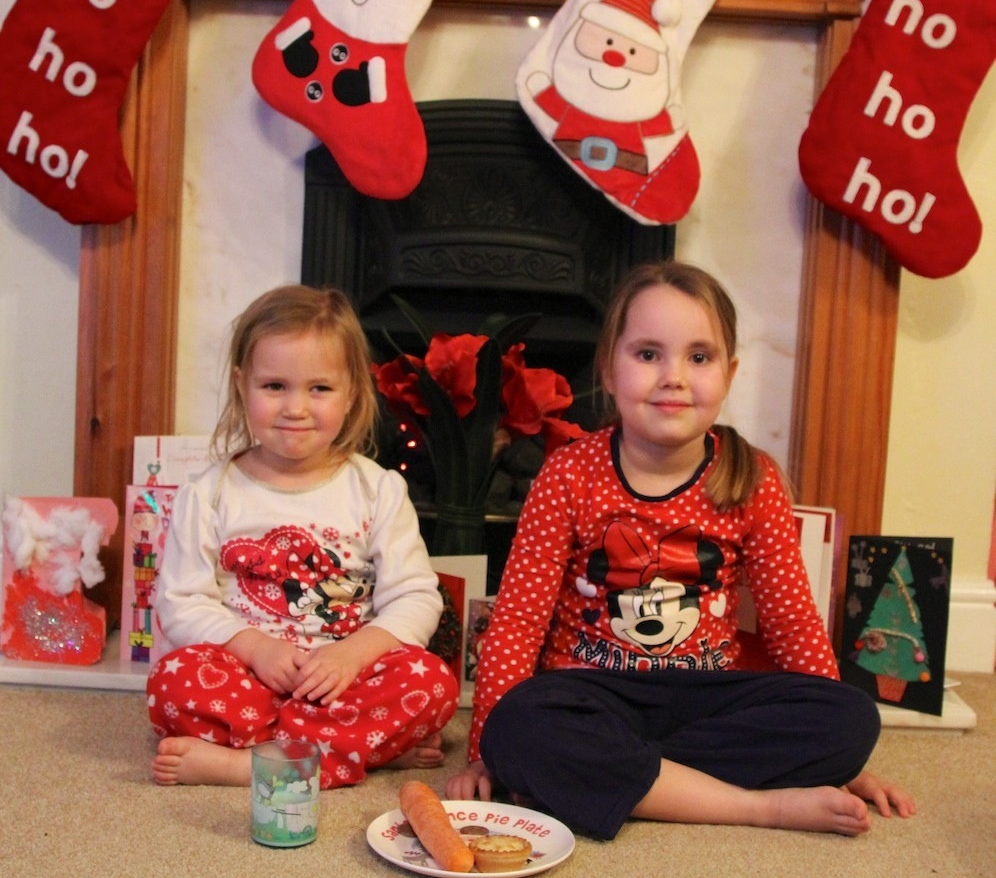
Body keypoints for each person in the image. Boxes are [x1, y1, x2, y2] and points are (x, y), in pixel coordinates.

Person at [446, 261, 915, 839]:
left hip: (705, 697)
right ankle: (754, 806)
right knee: (517, 728)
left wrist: (847, 764)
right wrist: (483, 750)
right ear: (609, 369)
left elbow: (792, 623)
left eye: (699, 357)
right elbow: (518, 621)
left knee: (850, 718)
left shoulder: (753, 479)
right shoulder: (568, 473)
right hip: (591, 693)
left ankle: (611, 777)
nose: (674, 377)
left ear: (729, 373)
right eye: (648, 354)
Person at [149, 284, 458, 788]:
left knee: (432, 683)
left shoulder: (377, 489)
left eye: (319, 389)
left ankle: (252, 762)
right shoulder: (208, 493)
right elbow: (182, 601)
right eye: (274, 386)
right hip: (248, 677)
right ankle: (356, 750)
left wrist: (353, 653)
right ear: (241, 385)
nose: (295, 407)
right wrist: (255, 648)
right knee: (173, 682)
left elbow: (416, 597)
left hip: (346, 680)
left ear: (352, 392)